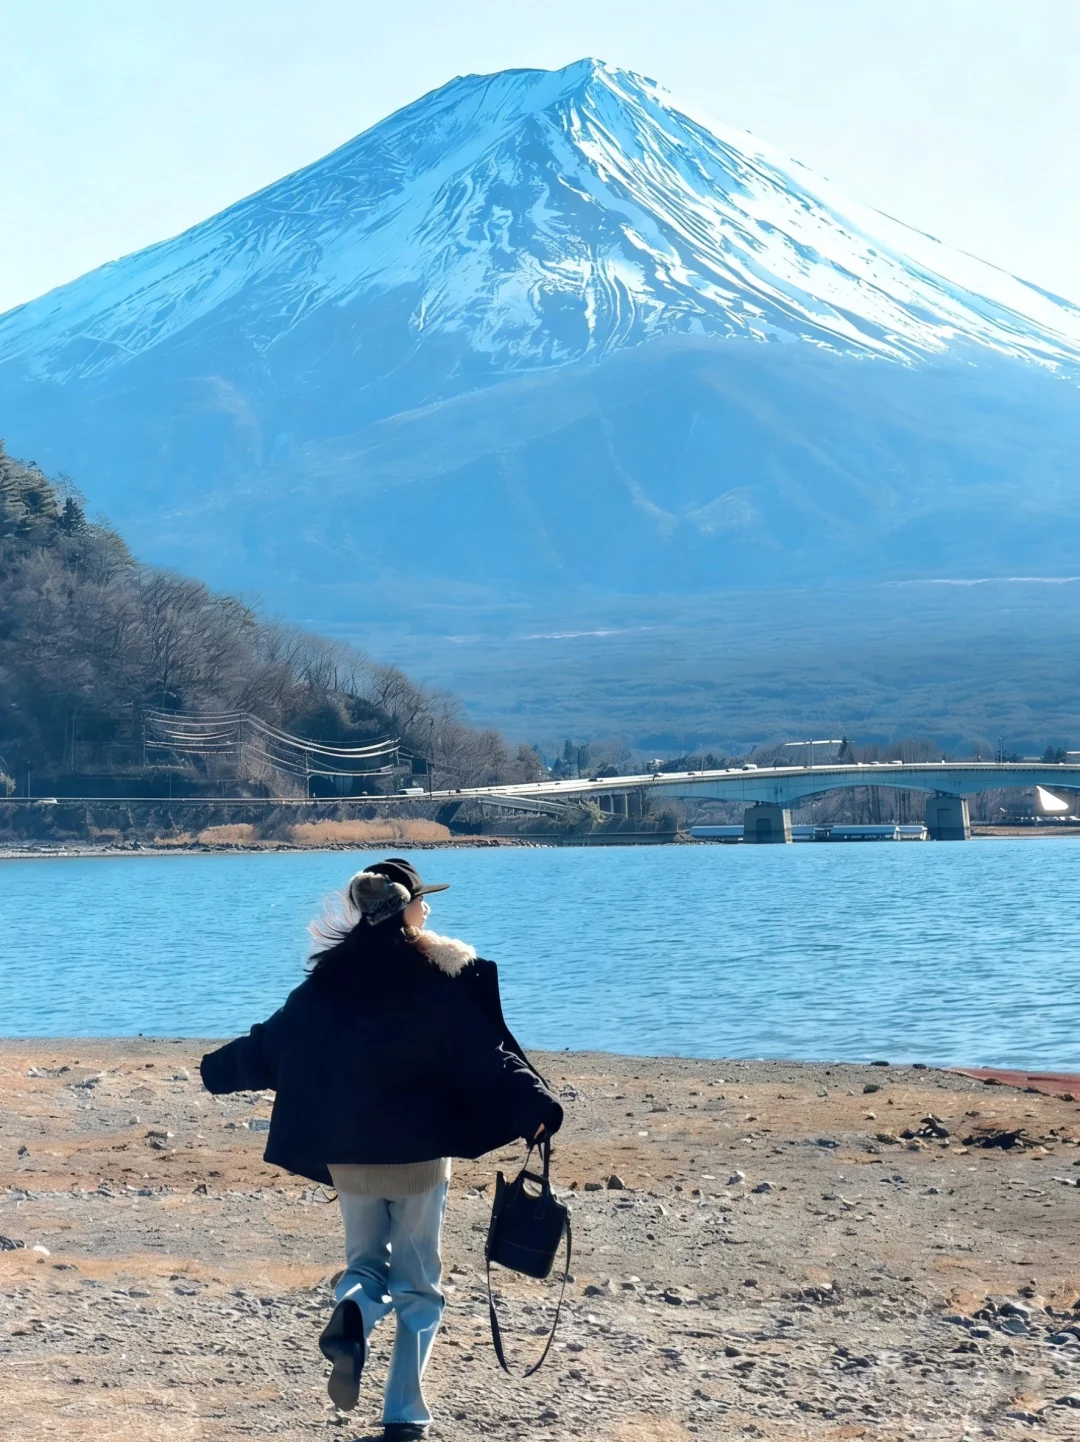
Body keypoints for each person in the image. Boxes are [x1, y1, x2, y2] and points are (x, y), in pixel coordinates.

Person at [200, 857, 563, 1441]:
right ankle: (404, 1416)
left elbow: (269, 1047)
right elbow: (483, 1055)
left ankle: (356, 1314)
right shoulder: (439, 979)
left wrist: (215, 1070)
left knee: (366, 1265)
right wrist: (537, 1106)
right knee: (419, 1282)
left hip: (349, 1156)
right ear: (405, 910)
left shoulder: (325, 983)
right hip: (419, 1158)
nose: (430, 909)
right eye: (424, 900)